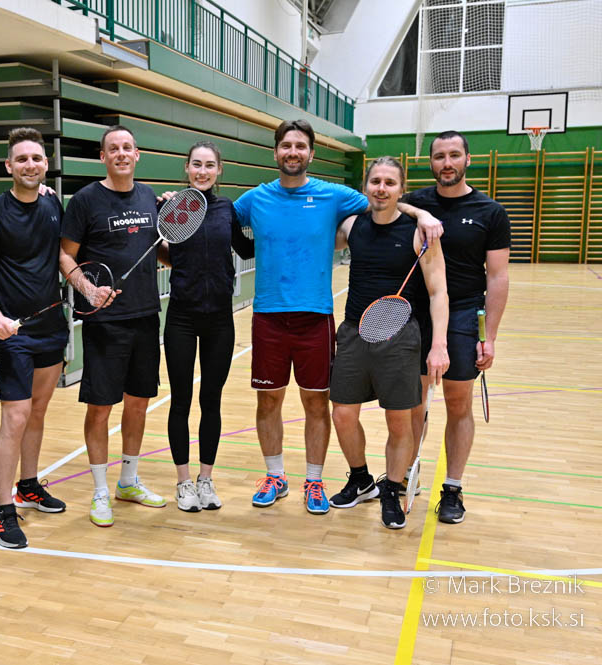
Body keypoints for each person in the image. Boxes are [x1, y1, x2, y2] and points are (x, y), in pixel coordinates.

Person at [233, 119, 442, 515]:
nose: (293, 152)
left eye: (300, 146)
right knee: (268, 401)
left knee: (317, 403)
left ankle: (314, 479)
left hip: (316, 317)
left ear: (311, 154)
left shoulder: (333, 196)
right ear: (275, 151)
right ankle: (275, 476)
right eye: (286, 145)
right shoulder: (254, 200)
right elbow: (216, 217)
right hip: (268, 317)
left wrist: (421, 214)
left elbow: (384, 201)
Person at [328, 157, 450, 529]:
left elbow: (439, 291)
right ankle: (361, 479)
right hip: (353, 332)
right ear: (366, 186)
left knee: (399, 422)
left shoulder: (419, 233)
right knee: (342, 414)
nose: (382, 188)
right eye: (376, 181)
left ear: (401, 189)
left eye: (390, 183)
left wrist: (439, 345)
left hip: (400, 337)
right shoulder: (352, 226)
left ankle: (391, 490)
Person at [60, 125, 166, 527]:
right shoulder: (85, 200)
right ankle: (101, 490)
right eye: (113, 149)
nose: (121, 153)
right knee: (101, 406)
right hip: (106, 322)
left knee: (138, 403)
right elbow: (65, 256)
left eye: (127, 147)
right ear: (103, 157)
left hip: (146, 316)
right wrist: (88, 290)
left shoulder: (149, 197)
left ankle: (128, 481)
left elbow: (160, 251)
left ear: (137, 155)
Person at [403, 131, 511, 524]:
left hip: (465, 314)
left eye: (453, 155)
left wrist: (490, 337)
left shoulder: (490, 212)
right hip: (417, 314)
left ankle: (452, 487)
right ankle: (407, 474)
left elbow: (497, 277)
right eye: (439, 156)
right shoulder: (416, 202)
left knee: (458, 403)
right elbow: (383, 201)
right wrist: (419, 213)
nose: (446, 163)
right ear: (430, 162)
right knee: (412, 403)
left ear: (468, 159)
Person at [0, 127, 69, 549]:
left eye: (37, 158)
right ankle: (4, 510)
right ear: (9, 166)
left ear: (46, 164)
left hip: (52, 328)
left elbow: (61, 256)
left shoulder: (52, 203)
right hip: (15, 334)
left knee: (38, 411)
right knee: (14, 417)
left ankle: (29, 484)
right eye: (22, 159)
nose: (30, 165)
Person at [158, 141, 254, 512]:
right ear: (187, 168)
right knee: (181, 400)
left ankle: (205, 479)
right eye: (196, 164)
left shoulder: (226, 209)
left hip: (219, 319)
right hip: (181, 316)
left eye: (209, 165)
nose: (202, 171)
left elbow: (246, 250)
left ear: (219, 171)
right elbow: (160, 249)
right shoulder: (171, 207)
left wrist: (282, 229)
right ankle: (183, 482)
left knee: (211, 400)